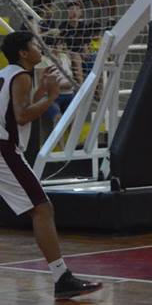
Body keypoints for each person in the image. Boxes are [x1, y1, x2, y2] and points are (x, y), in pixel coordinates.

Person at [0, 31, 102, 299]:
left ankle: (62, 277)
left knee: (41, 209)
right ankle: (62, 278)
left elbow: (16, 107)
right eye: (34, 44)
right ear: (23, 53)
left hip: (5, 148)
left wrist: (42, 92)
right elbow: (22, 116)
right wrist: (51, 97)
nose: (39, 48)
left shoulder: (7, 74)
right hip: (3, 150)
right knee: (42, 209)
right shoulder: (21, 76)